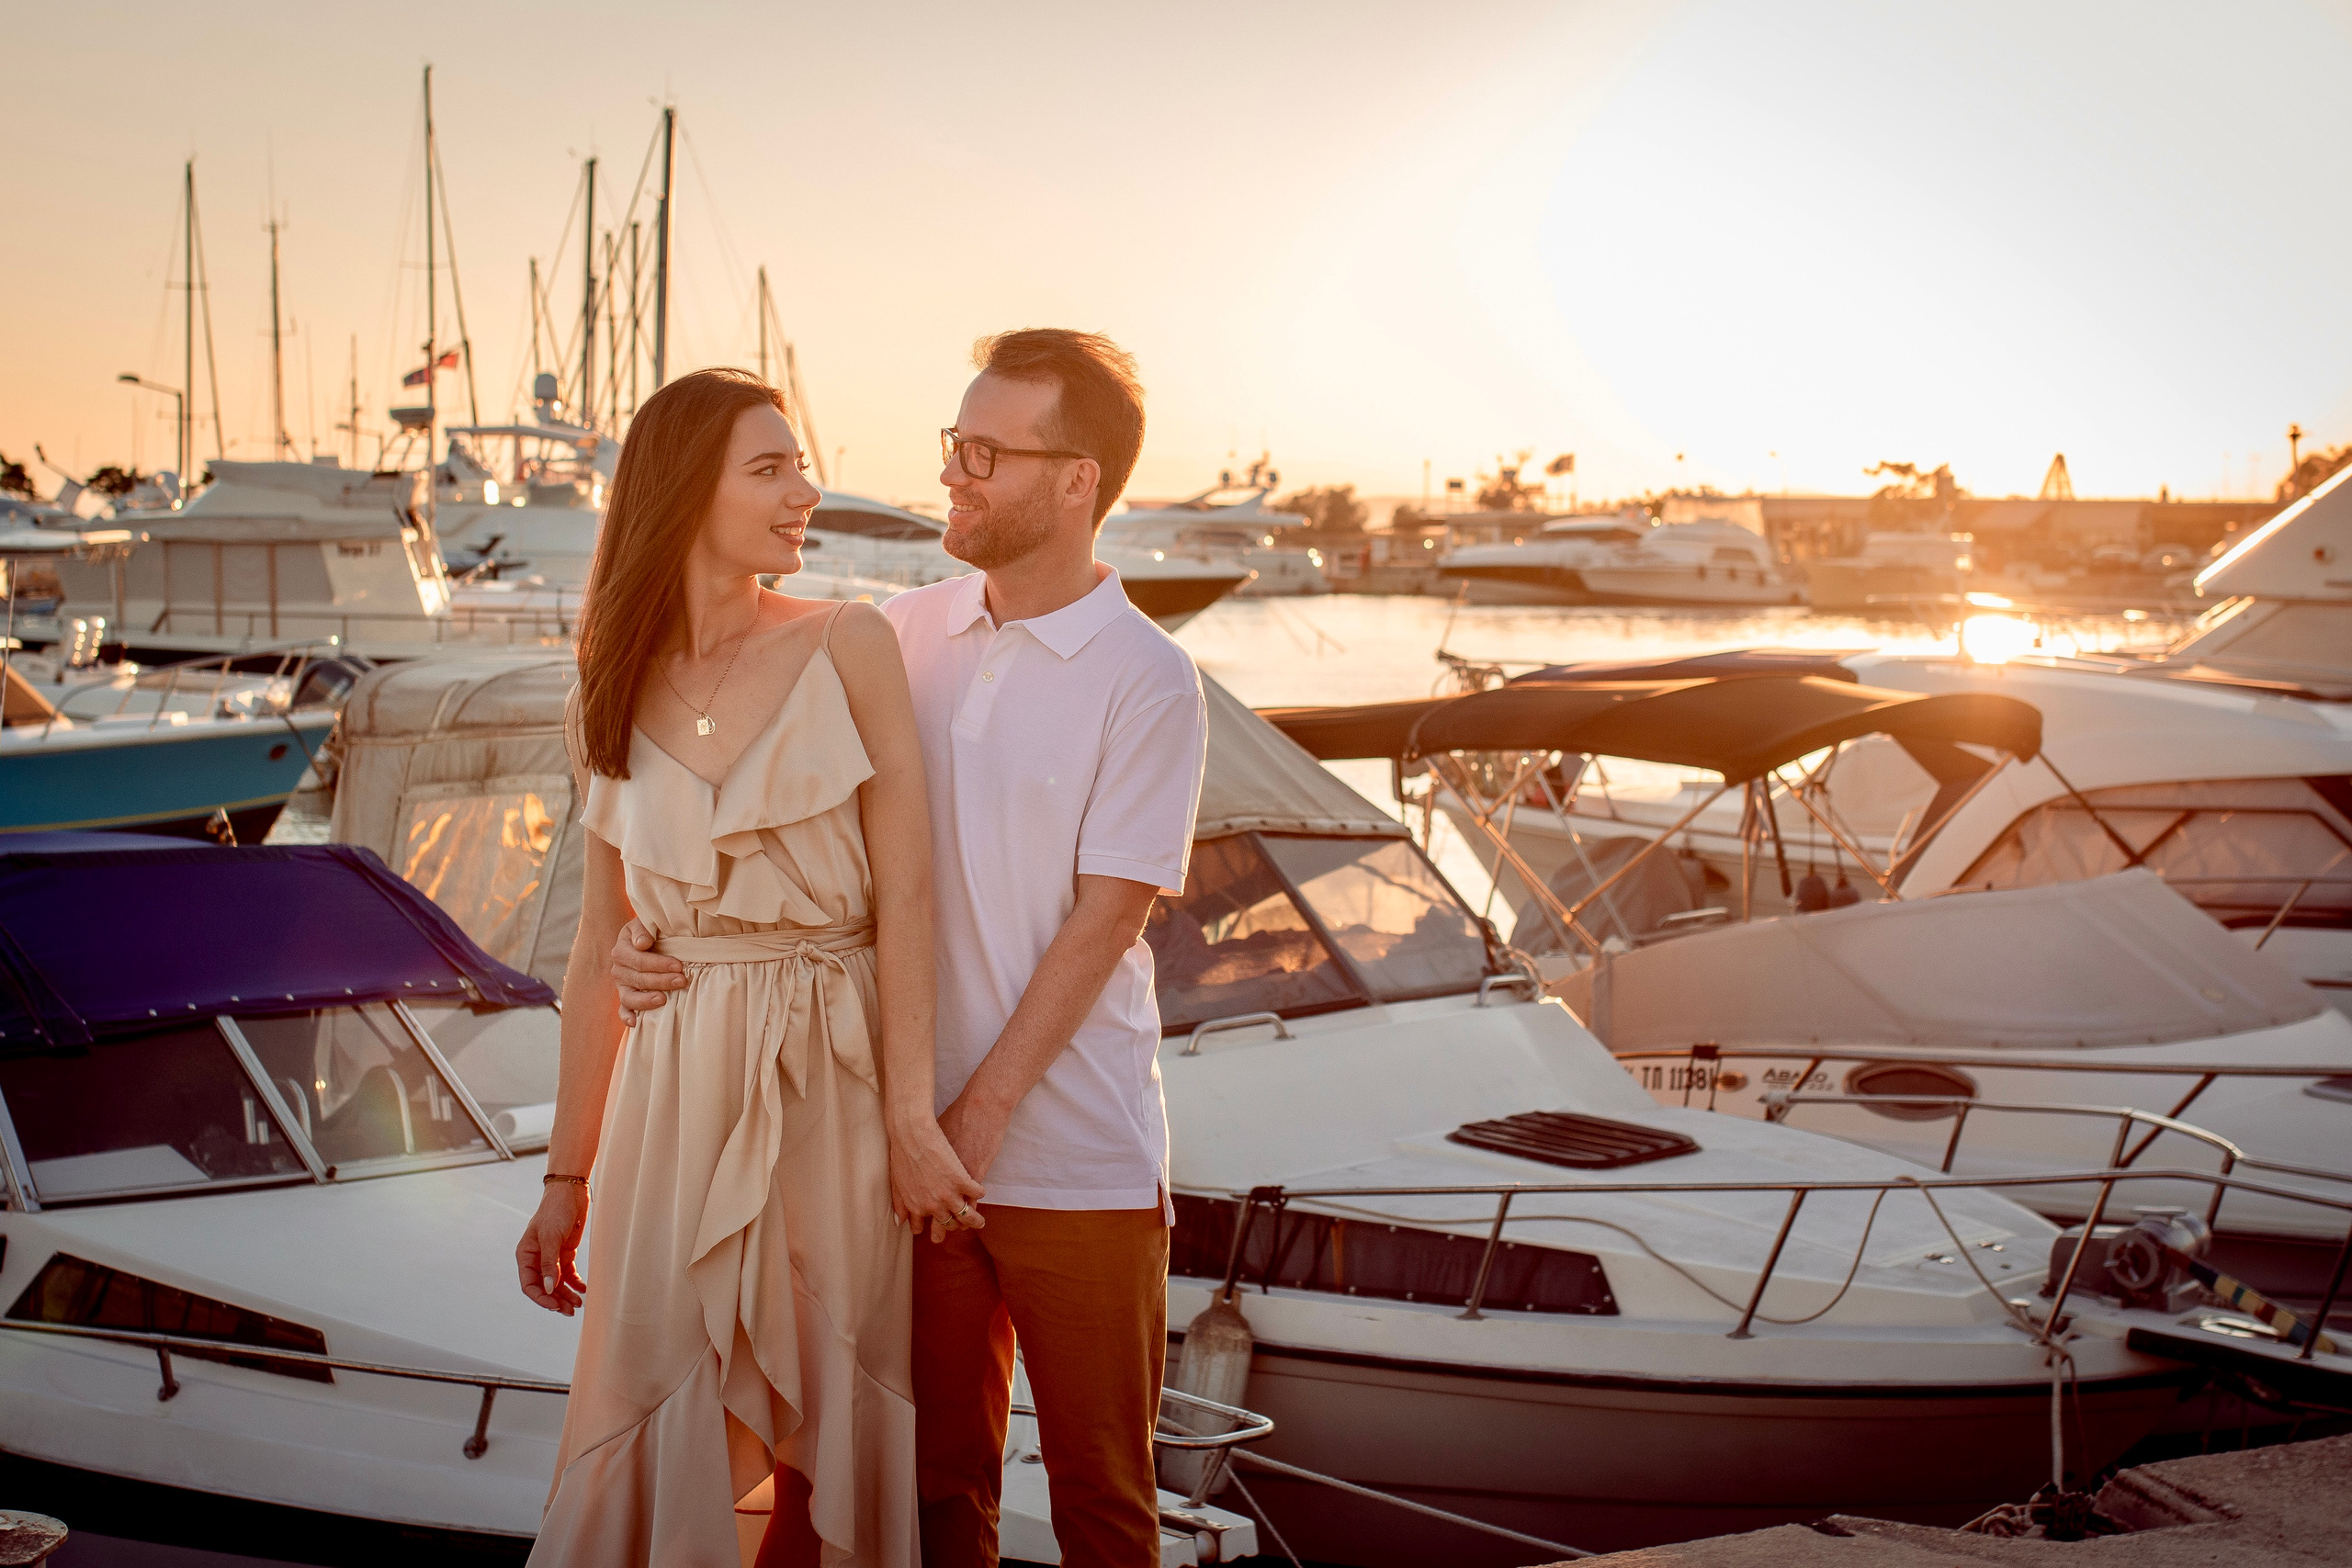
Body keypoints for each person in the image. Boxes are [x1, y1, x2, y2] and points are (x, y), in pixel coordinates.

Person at [614, 330, 1208, 1568]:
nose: (955, 473)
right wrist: (648, 934)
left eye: (987, 453)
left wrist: (972, 1118)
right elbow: (772, 823)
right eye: (957, 444)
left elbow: (1110, 915)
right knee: (935, 1496)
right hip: (894, 1153)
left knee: (1105, 1502)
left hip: (1074, 1155)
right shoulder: (899, 633)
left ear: (1076, 481)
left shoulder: (1148, 680)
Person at [514, 367, 982, 1567]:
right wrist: (567, 1176)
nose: (804, 490)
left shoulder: (850, 642)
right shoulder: (606, 681)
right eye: (768, 467)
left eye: (799, 463)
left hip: (832, 1072)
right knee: (650, 1384)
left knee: (829, 1397)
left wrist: (912, 1113)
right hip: (674, 1087)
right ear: (684, 491)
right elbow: (597, 943)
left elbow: (910, 898)